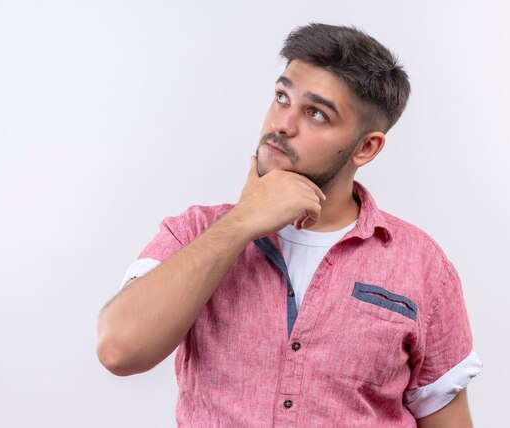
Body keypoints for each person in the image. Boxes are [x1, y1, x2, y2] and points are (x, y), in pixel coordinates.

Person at [97, 23, 482, 427]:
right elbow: (119, 351)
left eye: (315, 113)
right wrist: (243, 220)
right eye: (282, 97)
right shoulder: (194, 232)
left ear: (366, 147)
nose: (282, 124)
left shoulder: (422, 266)